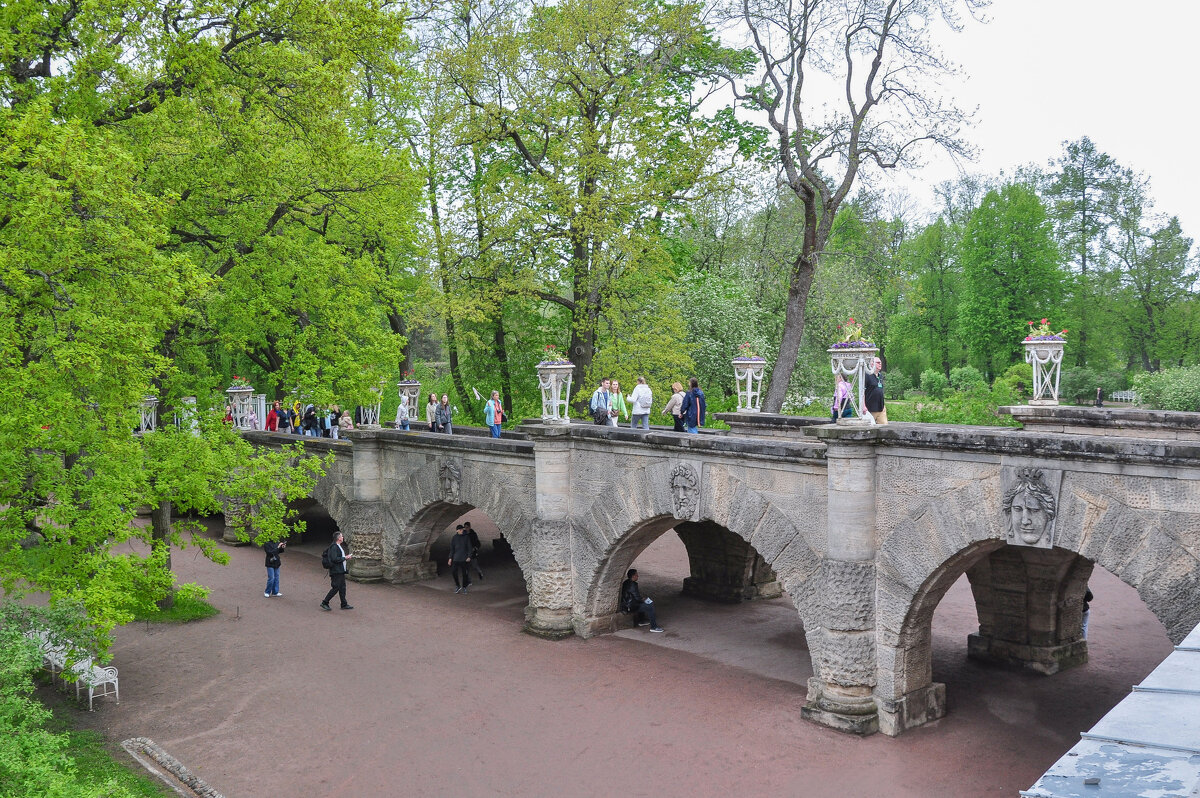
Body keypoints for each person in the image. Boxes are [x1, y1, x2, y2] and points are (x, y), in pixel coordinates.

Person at [320, 531, 354, 610]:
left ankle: (344, 604)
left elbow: (337, 558)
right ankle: (325, 602)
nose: (343, 537)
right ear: (338, 538)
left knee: (342, 587)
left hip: (340, 571)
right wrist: (345, 558)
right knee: (336, 587)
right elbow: (334, 559)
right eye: (342, 536)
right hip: (336, 571)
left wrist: (345, 557)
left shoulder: (338, 546)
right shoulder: (334, 547)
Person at [448, 524, 473, 594]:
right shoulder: (454, 538)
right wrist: (450, 558)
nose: (462, 530)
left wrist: (469, 556)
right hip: (456, 558)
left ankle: (464, 587)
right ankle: (458, 585)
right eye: (461, 529)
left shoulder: (466, 537)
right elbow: (452, 549)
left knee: (464, 574)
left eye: (462, 529)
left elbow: (469, 548)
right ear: (457, 531)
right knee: (453, 572)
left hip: (464, 559)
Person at [864, 357, 887, 425]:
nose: (880, 364)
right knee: (869, 427)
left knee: (884, 427)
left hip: (881, 407)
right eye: (878, 362)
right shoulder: (867, 375)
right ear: (871, 364)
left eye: (880, 362)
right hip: (870, 408)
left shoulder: (880, 376)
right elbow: (862, 392)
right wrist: (863, 406)